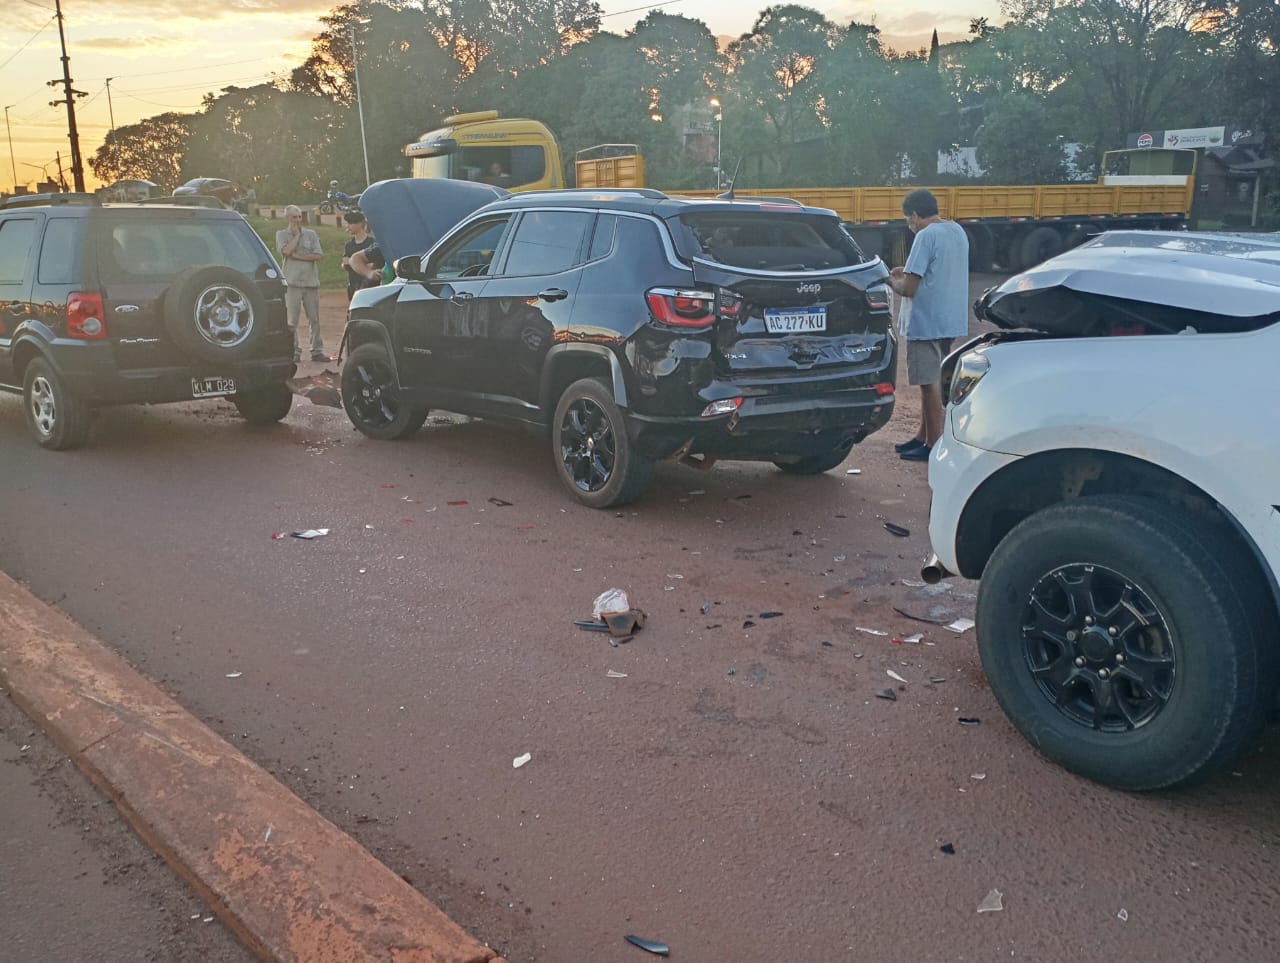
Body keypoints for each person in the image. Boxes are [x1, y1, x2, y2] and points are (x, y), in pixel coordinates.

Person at [887, 188, 969, 462]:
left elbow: (909, 288)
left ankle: (933, 445)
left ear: (914, 215)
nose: (909, 225)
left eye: (908, 220)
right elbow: (932, 272)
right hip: (949, 319)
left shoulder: (925, 235)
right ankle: (923, 436)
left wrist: (889, 280)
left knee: (928, 384)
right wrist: (905, 272)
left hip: (926, 321)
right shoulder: (956, 230)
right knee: (934, 380)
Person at [275, 205, 326, 362]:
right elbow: (286, 251)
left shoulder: (311, 234)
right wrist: (296, 236)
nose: (297, 220)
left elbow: (318, 255)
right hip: (292, 282)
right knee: (292, 320)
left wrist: (298, 257)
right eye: (294, 217)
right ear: (287, 218)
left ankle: (317, 351)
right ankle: (294, 351)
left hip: (310, 282)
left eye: (299, 217)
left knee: (314, 318)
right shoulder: (282, 234)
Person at [340, 210, 378, 301]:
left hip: (369, 286)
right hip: (353, 285)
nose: (348, 226)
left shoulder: (372, 243)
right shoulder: (349, 245)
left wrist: (352, 262)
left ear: (360, 224)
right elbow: (345, 264)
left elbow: (374, 265)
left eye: (350, 223)